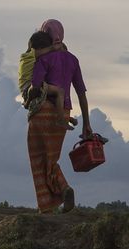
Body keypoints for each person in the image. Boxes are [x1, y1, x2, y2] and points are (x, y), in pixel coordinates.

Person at [28, 19, 94, 212]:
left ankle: (49, 204)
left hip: (42, 111)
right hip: (63, 114)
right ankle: (63, 190)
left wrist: (28, 97)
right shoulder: (73, 60)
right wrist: (86, 124)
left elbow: (35, 84)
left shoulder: (42, 59)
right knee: (52, 158)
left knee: (37, 158)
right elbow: (81, 93)